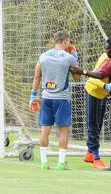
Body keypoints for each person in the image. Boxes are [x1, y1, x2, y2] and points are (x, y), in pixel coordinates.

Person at [71, 37, 111, 170]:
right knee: (103, 127)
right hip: (107, 93)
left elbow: (100, 75)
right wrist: (106, 86)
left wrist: (82, 71)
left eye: (107, 48)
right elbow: (96, 78)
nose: (105, 50)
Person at [29, 31, 80, 170]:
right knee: (63, 131)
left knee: (44, 130)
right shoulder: (69, 58)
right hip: (62, 99)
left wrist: (33, 95)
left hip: (46, 98)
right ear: (65, 42)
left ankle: (44, 163)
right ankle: (61, 163)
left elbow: (37, 76)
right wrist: (76, 57)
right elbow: (77, 78)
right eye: (68, 42)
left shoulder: (43, 56)